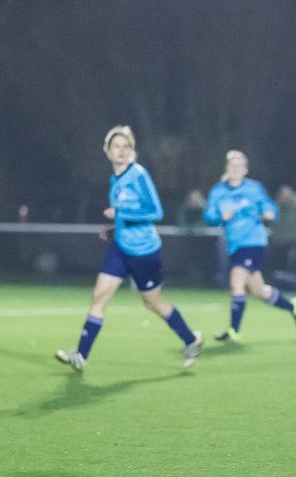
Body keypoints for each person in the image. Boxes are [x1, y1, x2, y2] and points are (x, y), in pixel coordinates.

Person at [55, 125, 202, 371]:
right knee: (99, 297)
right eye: (116, 146)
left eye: (126, 146)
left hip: (145, 251)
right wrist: (116, 226)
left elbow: (157, 211)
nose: (121, 151)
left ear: (132, 151)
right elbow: (127, 214)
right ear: (107, 151)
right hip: (121, 248)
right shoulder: (116, 179)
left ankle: (191, 339)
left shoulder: (139, 174)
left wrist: (122, 213)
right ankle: (81, 355)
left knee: (152, 303)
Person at [203, 150, 296, 341]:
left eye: (239, 166)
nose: (235, 169)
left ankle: (234, 330)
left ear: (245, 170)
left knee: (236, 282)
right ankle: (293, 307)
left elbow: (270, 207)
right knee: (259, 291)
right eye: (232, 165)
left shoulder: (254, 188)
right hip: (234, 245)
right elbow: (208, 217)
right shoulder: (218, 191)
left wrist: (268, 212)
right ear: (227, 168)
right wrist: (219, 217)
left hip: (253, 242)